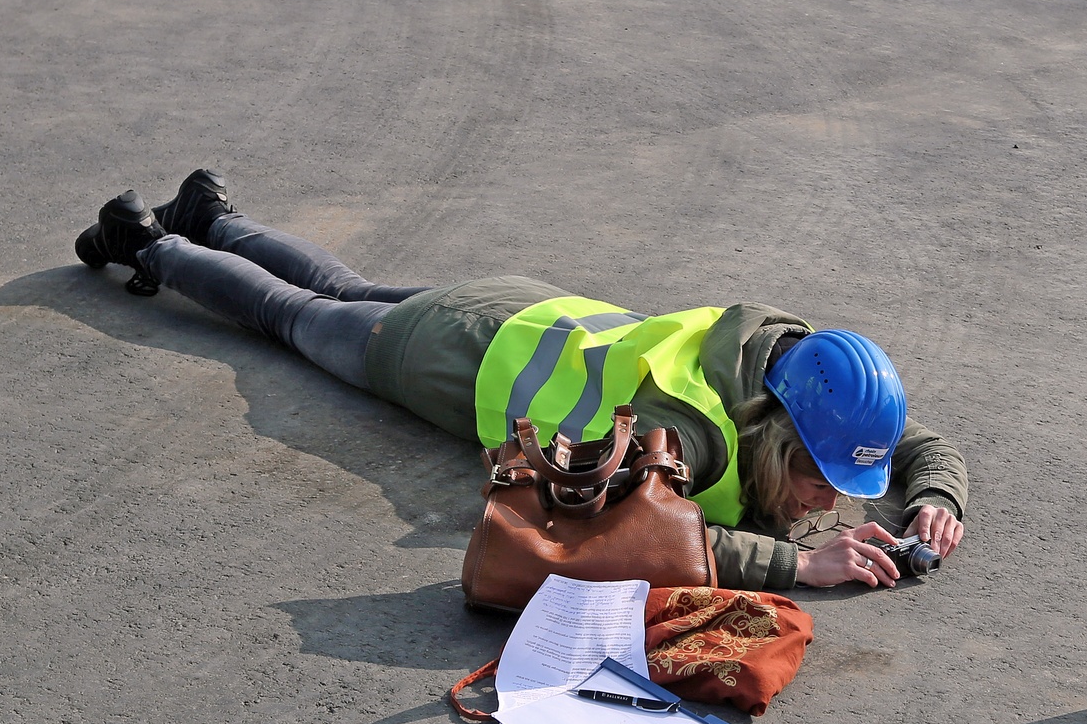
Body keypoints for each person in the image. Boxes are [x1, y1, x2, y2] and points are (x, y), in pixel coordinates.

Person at [75, 170, 968, 591]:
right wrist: (795, 563)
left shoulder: (786, 367)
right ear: (780, 435)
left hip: (533, 310)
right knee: (294, 318)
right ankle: (147, 241)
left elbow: (909, 441)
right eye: (820, 477)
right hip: (452, 356)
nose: (829, 497)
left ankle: (216, 216)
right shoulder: (691, 434)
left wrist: (936, 498)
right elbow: (638, 532)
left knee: (344, 286)